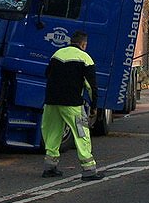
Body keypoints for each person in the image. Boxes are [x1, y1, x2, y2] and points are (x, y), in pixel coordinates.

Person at [40, 30, 104, 181]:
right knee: (82, 134)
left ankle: (50, 167)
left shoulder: (57, 54)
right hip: (72, 104)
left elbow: (47, 74)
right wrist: (94, 107)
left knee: (53, 133)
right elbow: (92, 87)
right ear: (83, 44)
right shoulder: (85, 58)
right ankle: (89, 170)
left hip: (51, 102)